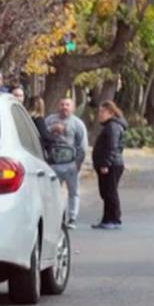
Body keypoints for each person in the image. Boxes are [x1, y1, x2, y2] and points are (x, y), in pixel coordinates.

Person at [45, 98, 88, 229]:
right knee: (52, 193)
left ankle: (72, 218)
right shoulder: (50, 120)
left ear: (73, 107)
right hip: (53, 163)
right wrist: (52, 128)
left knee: (73, 192)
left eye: (67, 105)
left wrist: (78, 163)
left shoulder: (78, 123)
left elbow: (83, 145)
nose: (64, 107)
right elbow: (40, 134)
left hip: (70, 164)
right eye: (62, 104)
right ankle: (56, 217)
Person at [91, 101, 127, 230]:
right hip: (110, 163)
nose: (99, 114)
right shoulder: (110, 126)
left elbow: (112, 146)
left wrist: (106, 163)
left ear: (110, 113)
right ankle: (107, 218)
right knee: (106, 192)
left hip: (111, 164)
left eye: (102, 112)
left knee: (110, 192)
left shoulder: (113, 127)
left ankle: (114, 218)